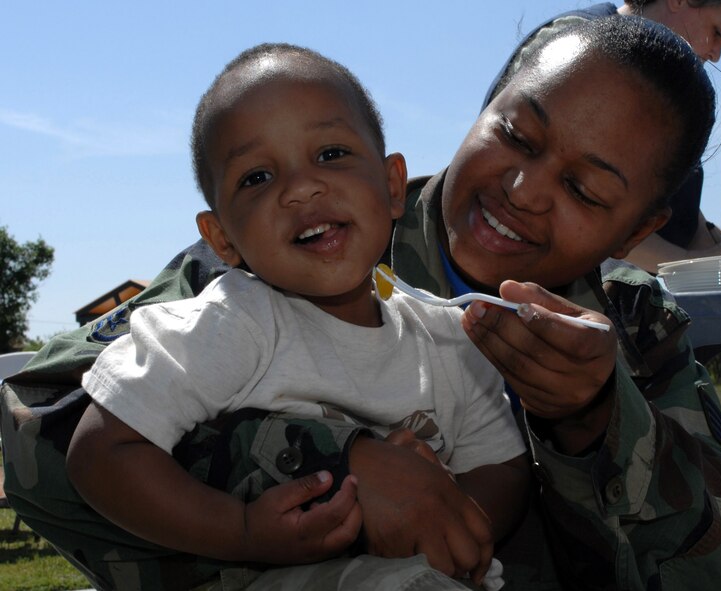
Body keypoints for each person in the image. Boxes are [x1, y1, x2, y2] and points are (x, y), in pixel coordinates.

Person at [1, 16, 721, 591]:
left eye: (585, 189)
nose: (522, 192)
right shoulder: (300, 236)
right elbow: (34, 429)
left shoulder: (628, 329)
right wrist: (334, 467)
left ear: (641, 226)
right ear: (483, 105)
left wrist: (595, 422)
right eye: (515, 134)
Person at [65, 42, 529, 589]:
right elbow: (100, 452)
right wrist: (242, 531)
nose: (301, 187)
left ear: (392, 185)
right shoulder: (235, 321)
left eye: (331, 154)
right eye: (256, 178)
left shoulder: (447, 341)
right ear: (222, 239)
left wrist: (450, 520)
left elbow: (504, 467)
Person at [480, 0, 721, 273]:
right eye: (717, 32)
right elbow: (565, 208)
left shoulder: (666, 90)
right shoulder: (579, 48)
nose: (716, 54)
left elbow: (677, 207)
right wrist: (692, 267)